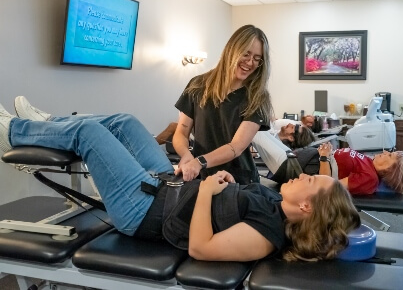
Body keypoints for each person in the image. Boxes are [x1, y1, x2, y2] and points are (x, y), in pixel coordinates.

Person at [0, 102, 360, 262]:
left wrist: (206, 191)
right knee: (126, 121)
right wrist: (214, 178)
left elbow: (200, 248)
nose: (305, 176)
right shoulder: (273, 204)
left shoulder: (268, 234)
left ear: (306, 206)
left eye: (311, 181)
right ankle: (47, 123)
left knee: (90, 133)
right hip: (165, 184)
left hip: (142, 211)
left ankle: (14, 132)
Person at [173, 25, 274, 185]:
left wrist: (199, 162)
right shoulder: (197, 85)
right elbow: (181, 133)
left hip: (239, 181)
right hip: (201, 176)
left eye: (257, 58)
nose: (250, 62)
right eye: (246, 54)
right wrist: (186, 155)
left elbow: (236, 147)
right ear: (231, 50)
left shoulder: (257, 97)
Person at [253, 130, 403, 195]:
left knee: (256, 134)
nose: (386, 152)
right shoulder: (367, 161)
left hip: (296, 168)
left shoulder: (370, 179)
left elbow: (328, 185)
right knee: (260, 131)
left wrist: (325, 156)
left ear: (390, 170)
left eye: (391, 156)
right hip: (300, 157)